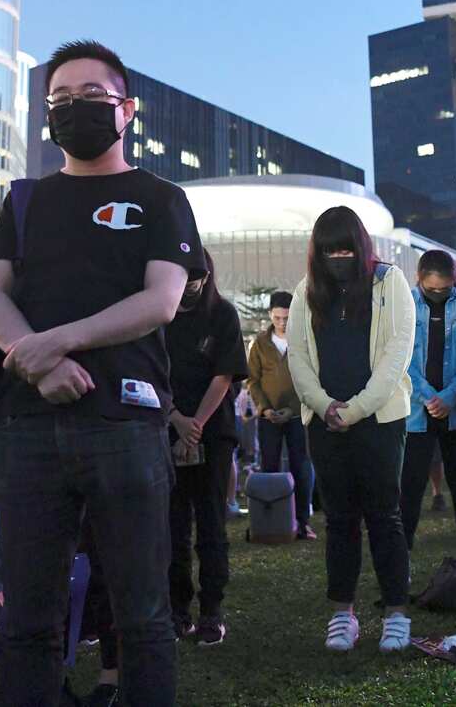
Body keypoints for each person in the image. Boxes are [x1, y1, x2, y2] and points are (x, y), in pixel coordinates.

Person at [0, 40, 204, 707]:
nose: (74, 111)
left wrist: (55, 344)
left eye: (92, 98)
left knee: (142, 616)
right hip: (28, 429)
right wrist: (36, 365)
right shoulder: (24, 202)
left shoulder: (160, 198)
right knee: (26, 621)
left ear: (127, 109)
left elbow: (161, 300)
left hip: (127, 427)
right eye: (60, 102)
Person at [286, 206, 416, 654]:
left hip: (379, 420)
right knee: (338, 520)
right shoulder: (306, 291)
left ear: (361, 245)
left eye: (345, 247)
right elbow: (297, 358)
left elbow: (398, 352)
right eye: (328, 250)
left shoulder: (389, 281)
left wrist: (356, 409)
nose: (338, 256)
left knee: (385, 516)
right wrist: (323, 407)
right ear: (317, 253)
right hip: (324, 423)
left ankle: (397, 613)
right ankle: (343, 614)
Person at [165, 248, 248, 646]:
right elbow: (147, 372)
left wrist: (194, 425)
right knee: (172, 527)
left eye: (197, 277)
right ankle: (177, 610)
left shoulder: (223, 315)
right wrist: (175, 420)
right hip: (166, 430)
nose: (190, 286)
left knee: (211, 525)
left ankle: (211, 610)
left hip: (212, 434)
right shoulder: (157, 317)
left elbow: (224, 375)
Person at [402, 250, 456, 563]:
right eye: (431, 289)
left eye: (444, 289)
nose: (438, 294)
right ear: (419, 279)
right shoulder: (404, 305)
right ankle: (401, 560)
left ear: (455, 281)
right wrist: (428, 397)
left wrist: (451, 395)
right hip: (415, 413)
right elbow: (400, 358)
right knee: (409, 489)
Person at [246, 290, 315, 540]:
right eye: (277, 318)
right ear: (270, 315)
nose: (282, 323)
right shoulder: (260, 343)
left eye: (286, 318)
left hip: (297, 416)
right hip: (269, 417)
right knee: (270, 467)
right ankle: (272, 520)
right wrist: (264, 408)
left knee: (301, 466)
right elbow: (252, 380)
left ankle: (303, 522)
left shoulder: (304, 341)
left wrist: (294, 409)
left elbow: (310, 379)